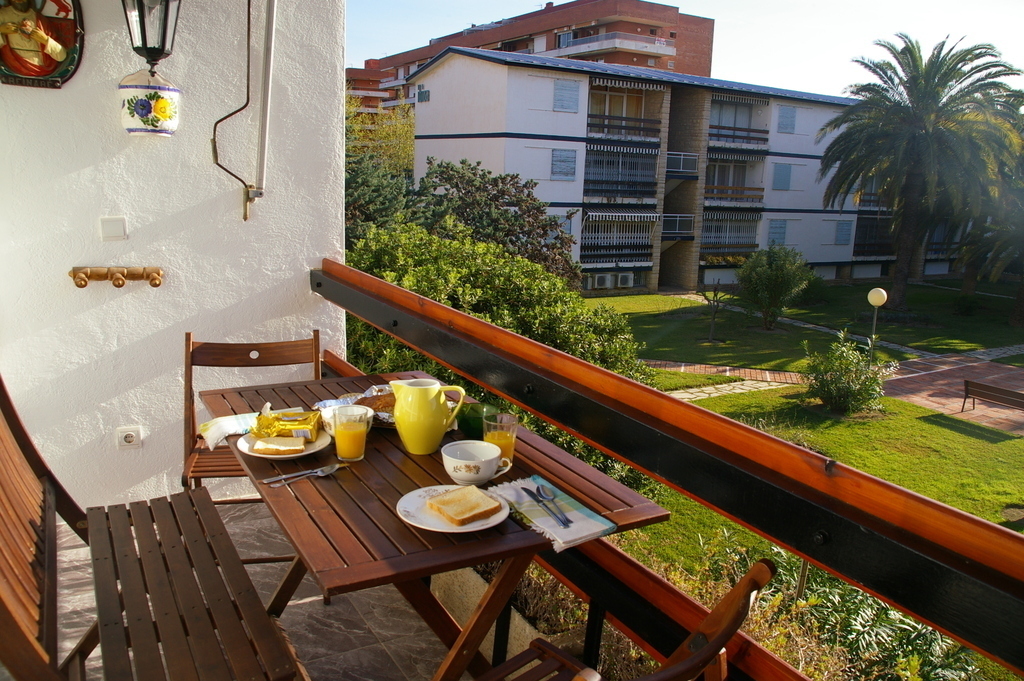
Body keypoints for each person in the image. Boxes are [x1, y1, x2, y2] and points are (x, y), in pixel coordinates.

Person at [0, 0, 66, 77]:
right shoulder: (2, 15)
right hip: (14, 64)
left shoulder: (40, 19)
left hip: (42, 69)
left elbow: (62, 56)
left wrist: (45, 40)